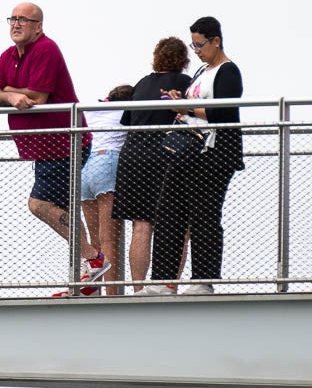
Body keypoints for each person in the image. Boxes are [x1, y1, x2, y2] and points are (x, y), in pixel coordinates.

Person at [0, 2, 109, 291]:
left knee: (39, 204)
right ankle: (86, 280)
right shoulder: (8, 55)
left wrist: (7, 93)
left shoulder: (46, 49)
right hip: (44, 148)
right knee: (64, 210)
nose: (16, 24)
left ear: (38, 26)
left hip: (64, 142)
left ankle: (93, 259)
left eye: (23, 20)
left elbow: (37, 96)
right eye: (12, 19)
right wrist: (11, 97)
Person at [136, 18, 245, 296]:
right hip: (186, 152)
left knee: (204, 214)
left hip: (212, 152)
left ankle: (203, 280)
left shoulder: (228, 71)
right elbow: (191, 104)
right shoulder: (201, 70)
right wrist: (179, 98)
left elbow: (223, 112)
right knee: (169, 212)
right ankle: (162, 280)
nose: (196, 50)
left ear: (216, 41)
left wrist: (185, 107)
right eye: (192, 45)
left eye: (200, 44)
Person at [112, 38, 192, 291]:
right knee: (179, 224)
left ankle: (138, 288)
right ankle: (169, 285)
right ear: (183, 60)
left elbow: (127, 121)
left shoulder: (142, 84)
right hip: (166, 157)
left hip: (133, 156)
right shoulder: (184, 83)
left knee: (141, 225)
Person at [81, 84, 135, 296]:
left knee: (94, 240)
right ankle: (113, 293)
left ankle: (92, 290)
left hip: (83, 166)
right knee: (109, 237)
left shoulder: (92, 111)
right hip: (107, 160)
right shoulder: (126, 111)